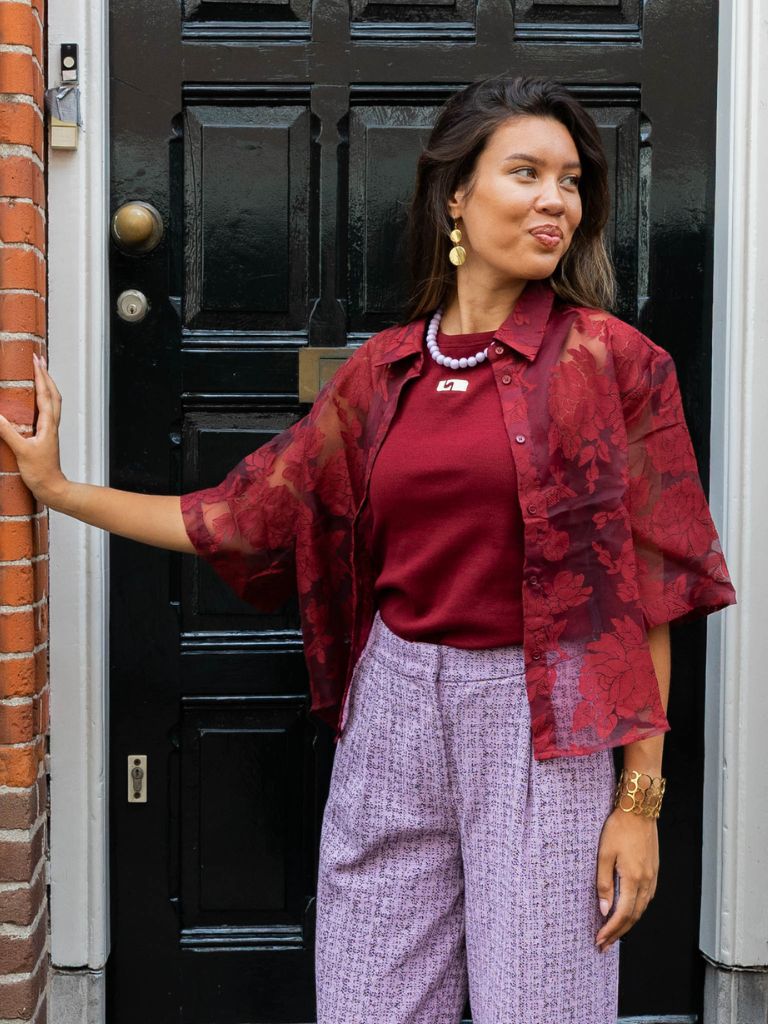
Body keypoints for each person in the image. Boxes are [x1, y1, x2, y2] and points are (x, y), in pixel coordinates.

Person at [0, 74, 737, 1024]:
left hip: (542, 720)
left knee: (540, 1004)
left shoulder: (616, 365)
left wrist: (639, 804)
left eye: (571, 180)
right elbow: (238, 514)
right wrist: (56, 491)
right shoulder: (379, 374)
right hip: (391, 705)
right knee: (368, 995)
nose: (557, 198)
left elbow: (651, 597)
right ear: (457, 197)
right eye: (526, 171)